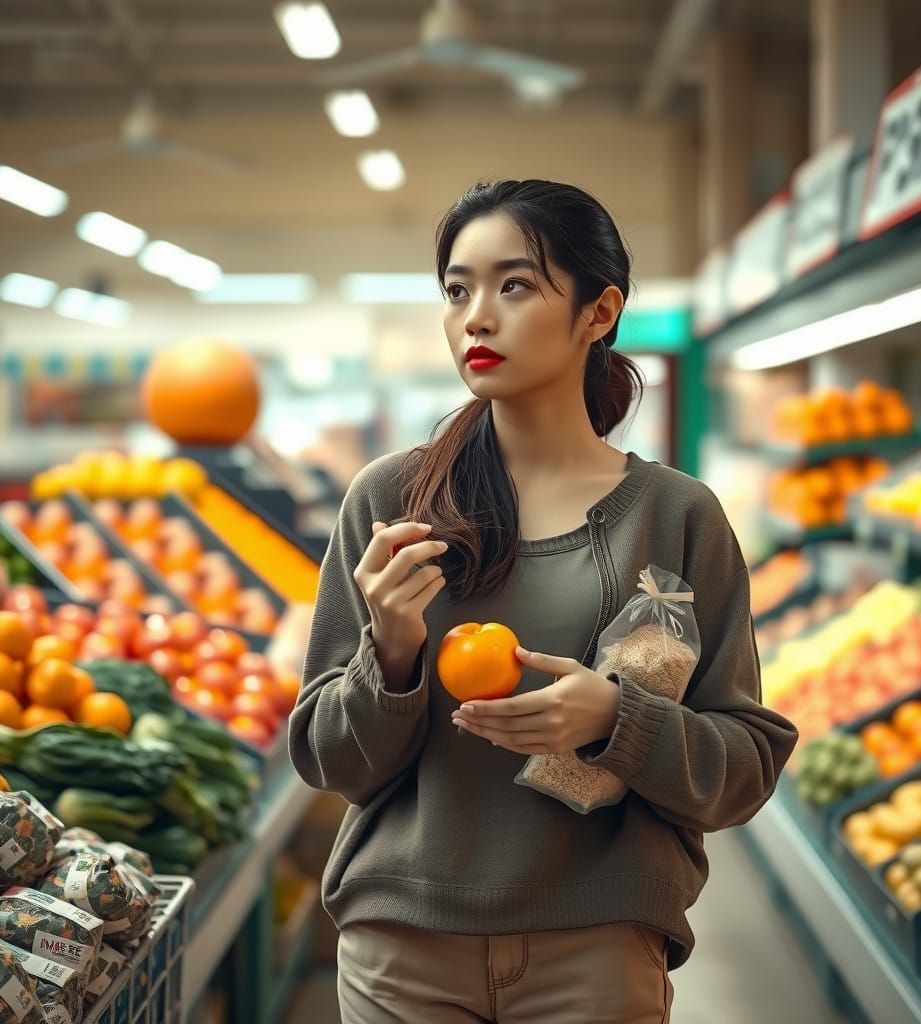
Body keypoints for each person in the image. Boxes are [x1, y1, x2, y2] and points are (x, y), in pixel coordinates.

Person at [289, 179, 799, 1023]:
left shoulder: (676, 518)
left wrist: (616, 720)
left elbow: (741, 770)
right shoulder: (391, 504)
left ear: (600, 312)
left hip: (597, 947)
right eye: (457, 290)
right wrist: (390, 651)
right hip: (401, 947)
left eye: (514, 285)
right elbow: (330, 761)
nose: (475, 317)